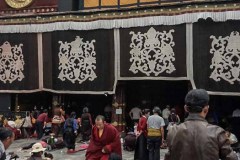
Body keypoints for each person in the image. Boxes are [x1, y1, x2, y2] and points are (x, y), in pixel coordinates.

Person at [165, 89, 237, 160]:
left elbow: (169, 156)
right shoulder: (217, 132)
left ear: (186, 108)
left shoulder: (173, 131)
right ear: (206, 109)